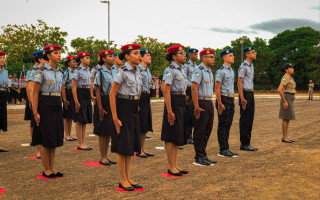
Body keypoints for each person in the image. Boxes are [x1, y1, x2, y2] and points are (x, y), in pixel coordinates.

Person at [109, 44, 143, 191]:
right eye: (136, 53)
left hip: (133, 106)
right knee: (122, 144)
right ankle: (122, 179)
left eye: (139, 53)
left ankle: (128, 177)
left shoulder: (138, 71)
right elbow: (112, 94)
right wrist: (115, 118)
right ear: (127, 56)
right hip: (123, 107)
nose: (139, 56)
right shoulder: (122, 72)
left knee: (129, 144)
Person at [32, 45, 64, 178]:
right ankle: (46, 169)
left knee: (54, 137)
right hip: (45, 103)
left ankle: (52, 168)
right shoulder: (42, 71)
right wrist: (35, 112)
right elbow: (35, 92)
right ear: (49, 55)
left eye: (60, 53)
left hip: (57, 103)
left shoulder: (60, 72)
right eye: (56, 53)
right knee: (46, 137)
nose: (59, 55)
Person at [161, 45, 188, 176]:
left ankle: (176, 165)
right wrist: (169, 111)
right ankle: (171, 166)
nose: (184, 55)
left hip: (181, 102)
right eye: (181, 53)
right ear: (174, 56)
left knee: (177, 135)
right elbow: (166, 90)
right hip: (173, 102)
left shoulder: (182, 69)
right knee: (171, 136)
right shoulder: (170, 70)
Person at [191, 49, 217, 166]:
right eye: (211, 57)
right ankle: (198, 156)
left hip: (209, 102)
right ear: (204, 58)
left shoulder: (209, 71)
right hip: (201, 102)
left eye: (213, 57)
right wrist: (196, 106)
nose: (213, 59)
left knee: (208, 129)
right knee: (200, 130)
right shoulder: (199, 70)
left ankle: (203, 153)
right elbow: (194, 88)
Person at [94, 50, 116, 165]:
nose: (113, 58)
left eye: (113, 56)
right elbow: (97, 90)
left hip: (111, 100)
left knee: (109, 130)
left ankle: (106, 156)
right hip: (103, 100)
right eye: (110, 56)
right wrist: (100, 108)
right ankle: (102, 156)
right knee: (102, 131)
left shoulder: (113, 71)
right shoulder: (100, 72)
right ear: (103, 59)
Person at [215, 49, 238, 157]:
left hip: (230, 99)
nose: (233, 57)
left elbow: (232, 87)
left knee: (228, 124)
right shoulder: (221, 71)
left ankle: (226, 148)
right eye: (230, 55)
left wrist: (233, 100)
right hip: (223, 99)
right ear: (224, 58)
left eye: (232, 55)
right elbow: (217, 88)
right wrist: (220, 103)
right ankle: (223, 149)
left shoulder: (231, 70)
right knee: (223, 125)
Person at [237, 47, 258, 151]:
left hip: (250, 92)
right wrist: (242, 98)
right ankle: (244, 144)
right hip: (245, 93)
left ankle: (247, 142)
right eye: (253, 52)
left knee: (250, 118)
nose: (255, 54)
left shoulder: (251, 65)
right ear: (247, 55)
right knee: (245, 118)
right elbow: (239, 82)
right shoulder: (243, 66)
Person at [72, 52, 92, 150]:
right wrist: (76, 101)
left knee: (84, 120)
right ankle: (80, 143)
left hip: (87, 93)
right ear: (81, 59)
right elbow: (73, 86)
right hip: (80, 93)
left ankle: (83, 142)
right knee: (79, 120)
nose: (89, 59)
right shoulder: (78, 70)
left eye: (89, 58)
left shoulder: (89, 70)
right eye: (87, 58)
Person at [138, 49, 154, 158]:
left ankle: (143, 148)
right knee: (140, 124)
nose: (150, 57)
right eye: (147, 55)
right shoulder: (138, 69)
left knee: (145, 124)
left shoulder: (147, 70)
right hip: (140, 96)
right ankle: (139, 149)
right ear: (142, 57)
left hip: (147, 96)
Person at [278, 63, 296, 143]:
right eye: (291, 68)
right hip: (287, 98)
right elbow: (279, 89)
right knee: (285, 118)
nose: (293, 69)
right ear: (286, 70)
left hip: (290, 98)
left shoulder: (290, 78)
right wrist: (285, 101)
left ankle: (286, 136)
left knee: (288, 118)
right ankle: (284, 137)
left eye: (293, 68)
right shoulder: (285, 78)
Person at [184, 48, 198, 144]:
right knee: (188, 114)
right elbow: (184, 79)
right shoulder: (186, 66)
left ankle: (191, 134)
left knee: (194, 113)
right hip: (188, 89)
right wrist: (185, 93)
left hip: (195, 90)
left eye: (197, 54)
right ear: (190, 55)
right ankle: (187, 136)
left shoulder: (197, 66)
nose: (196, 56)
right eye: (194, 54)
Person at [61, 55, 77, 141]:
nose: (75, 63)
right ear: (69, 63)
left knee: (70, 115)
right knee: (66, 115)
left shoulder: (76, 72)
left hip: (73, 93)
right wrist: (64, 99)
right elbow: (63, 86)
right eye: (73, 61)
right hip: (67, 93)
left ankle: (70, 134)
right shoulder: (66, 72)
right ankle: (66, 135)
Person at [0, 51, 9, 152]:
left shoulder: (5, 71)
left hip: (3, 94)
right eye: (0, 58)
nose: (3, 60)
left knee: (1, 119)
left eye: (3, 57)